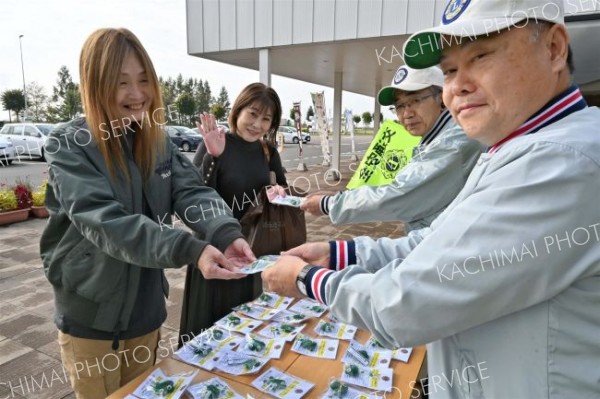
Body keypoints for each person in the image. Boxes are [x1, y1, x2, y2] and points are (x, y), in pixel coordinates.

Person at [262, 0, 600, 397]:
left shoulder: (561, 162)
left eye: (481, 56)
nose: (458, 86)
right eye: (451, 70)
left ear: (554, 49)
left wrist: (307, 280)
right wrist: (339, 255)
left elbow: (404, 307)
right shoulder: (511, 147)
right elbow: (436, 240)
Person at [39, 28, 253, 399]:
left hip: (146, 311)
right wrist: (191, 249)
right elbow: (106, 222)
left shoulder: (156, 139)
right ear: (94, 84)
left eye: (143, 80)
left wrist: (224, 233)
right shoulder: (69, 144)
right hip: (89, 315)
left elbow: (191, 191)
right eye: (121, 82)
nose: (137, 95)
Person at [301, 65, 483, 231]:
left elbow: (400, 195)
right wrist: (338, 196)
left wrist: (330, 204)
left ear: (442, 99)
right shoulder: (437, 137)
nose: (407, 113)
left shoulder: (453, 143)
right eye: (400, 106)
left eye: (415, 101)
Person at [178, 82, 287, 344]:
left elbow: (282, 186)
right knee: (207, 330)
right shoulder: (216, 142)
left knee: (242, 326)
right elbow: (192, 197)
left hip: (250, 247)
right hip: (213, 248)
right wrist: (213, 156)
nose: (257, 124)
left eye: (266, 118)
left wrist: (280, 193)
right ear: (238, 110)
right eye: (252, 113)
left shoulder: (267, 151)